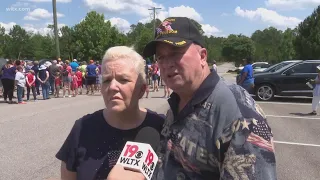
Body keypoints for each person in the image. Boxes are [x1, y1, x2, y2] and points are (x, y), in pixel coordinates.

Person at [107, 17, 276, 180]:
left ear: (202, 56)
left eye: (175, 53)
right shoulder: (178, 100)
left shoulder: (239, 113)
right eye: (161, 57)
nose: (167, 63)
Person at [56, 46, 165, 180]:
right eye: (107, 80)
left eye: (123, 80)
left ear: (141, 89)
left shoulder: (162, 127)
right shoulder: (83, 128)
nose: (112, 87)